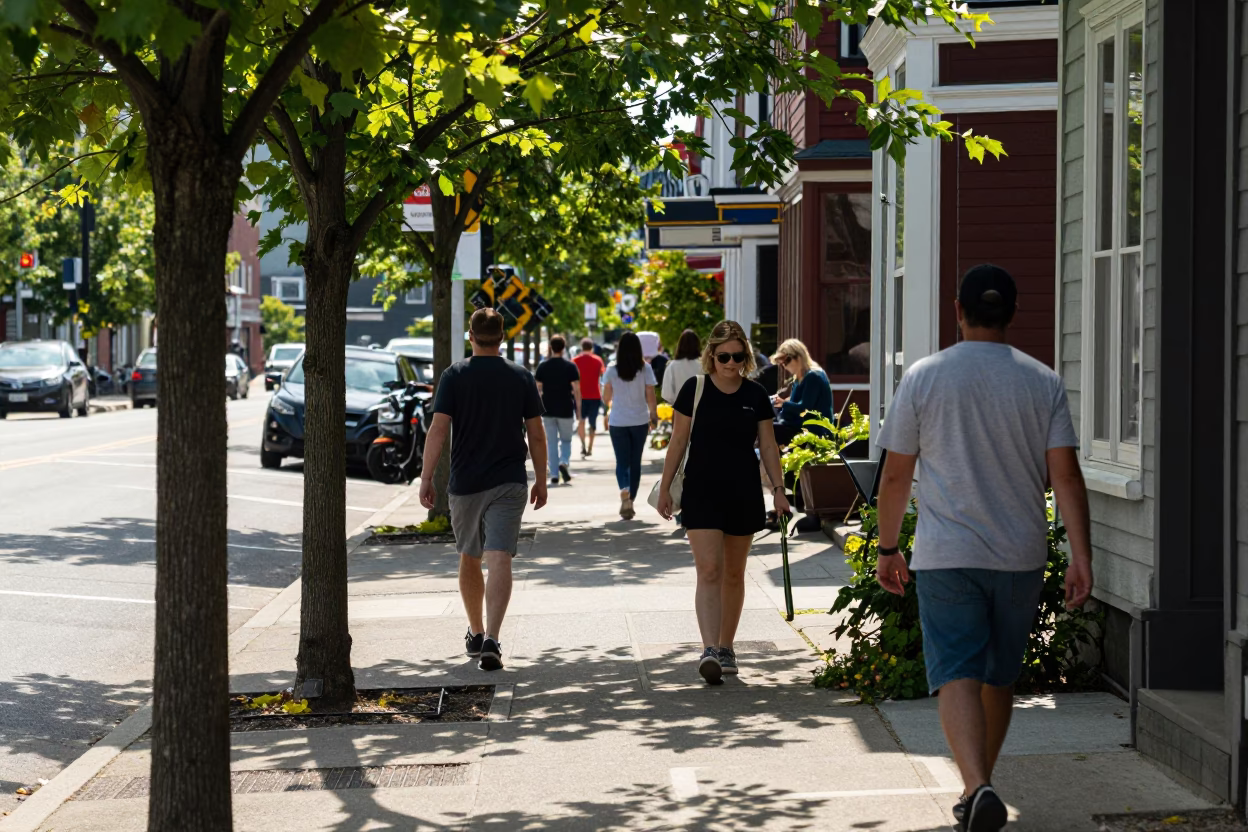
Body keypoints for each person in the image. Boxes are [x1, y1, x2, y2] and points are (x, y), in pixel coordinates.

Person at [873, 264, 1093, 832]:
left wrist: (888, 547)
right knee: (999, 678)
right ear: (1012, 314)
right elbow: (1066, 477)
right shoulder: (1041, 381)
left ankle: (977, 787)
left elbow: (896, 477)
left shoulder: (924, 377)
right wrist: (1081, 556)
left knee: (957, 675)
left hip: (947, 554)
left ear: (957, 309)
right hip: (1019, 555)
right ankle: (981, 787)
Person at [656, 320, 790, 685]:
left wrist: (778, 489)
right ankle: (709, 649)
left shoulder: (755, 395)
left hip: (743, 491)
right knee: (710, 570)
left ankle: (727, 646)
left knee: (734, 572)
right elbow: (678, 442)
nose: (731, 363)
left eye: (738, 356)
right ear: (711, 356)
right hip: (701, 491)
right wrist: (665, 488)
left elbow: (768, 447)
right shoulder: (694, 389)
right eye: (724, 357)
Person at [419, 308, 549, 672]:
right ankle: (492, 636)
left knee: (469, 556)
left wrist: (427, 476)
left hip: (466, 482)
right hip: (510, 480)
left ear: (471, 337)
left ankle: (476, 633)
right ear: (503, 336)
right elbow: (536, 433)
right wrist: (541, 477)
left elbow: (438, 429)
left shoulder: (454, 376)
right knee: (500, 557)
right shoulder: (520, 376)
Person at [602, 331, 657, 520]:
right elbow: (650, 394)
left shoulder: (611, 369)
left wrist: (610, 398)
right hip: (639, 421)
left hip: (618, 421)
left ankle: (624, 490)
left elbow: (606, 398)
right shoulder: (645, 369)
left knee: (621, 461)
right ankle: (631, 499)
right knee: (635, 462)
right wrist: (654, 414)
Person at [535, 335, 581, 485]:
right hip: (566, 408)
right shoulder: (570, 366)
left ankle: (554, 474)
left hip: (547, 409)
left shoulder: (543, 366)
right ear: (564, 347)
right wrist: (579, 409)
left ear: (550, 347)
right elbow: (577, 390)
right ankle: (564, 461)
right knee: (566, 440)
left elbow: (537, 389)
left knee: (552, 442)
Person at [769, 339, 833, 447]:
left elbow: (805, 408)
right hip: (798, 426)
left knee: (767, 430)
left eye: (786, 361)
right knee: (764, 426)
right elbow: (796, 403)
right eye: (782, 364)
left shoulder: (813, 376)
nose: (785, 366)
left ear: (798, 357)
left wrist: (783, 403)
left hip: (814, 430)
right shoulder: (799, 377)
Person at [573, 337, 605, 458]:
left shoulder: (575, 361)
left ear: (582, 347)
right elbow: (603, 375)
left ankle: (583, 446)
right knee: (592, 423)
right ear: (592, 348)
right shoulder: (598, 360)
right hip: (595, 395)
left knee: (581, 421)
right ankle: (590, 447)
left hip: (580, 396)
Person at [660, 329, 702, 404]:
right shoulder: (704, 366)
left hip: (679, 411)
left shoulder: (672, 366)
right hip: (701, 410)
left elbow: (667, 394)